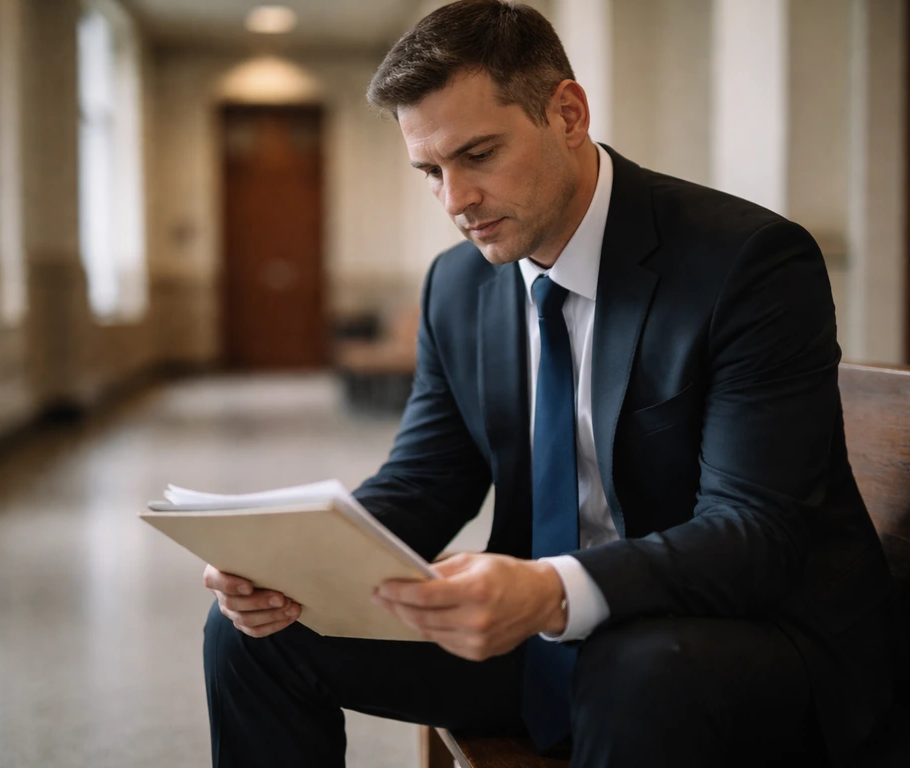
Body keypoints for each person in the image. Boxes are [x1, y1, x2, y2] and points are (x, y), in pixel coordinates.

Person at [201, 2, 899, 766]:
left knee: (633, 674)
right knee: (256, 634)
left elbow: (754, 534)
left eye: (478, 154)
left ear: (567, 113)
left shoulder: (747, 264)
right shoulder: (458, 287)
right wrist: (294, 561)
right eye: (431, 171)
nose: (455, 200)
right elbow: (428, 480)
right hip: (552, 629)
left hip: (743, 636)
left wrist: (551, 591)